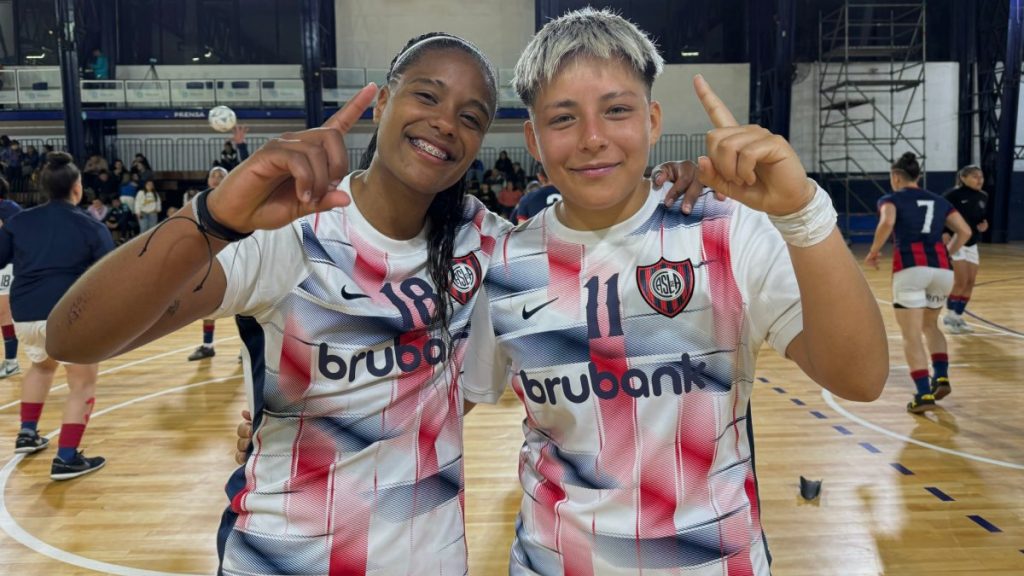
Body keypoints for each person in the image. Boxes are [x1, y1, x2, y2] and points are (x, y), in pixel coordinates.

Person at [50, 31, 705, 573]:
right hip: (283, 558)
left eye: (471, 117)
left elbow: (606, 268)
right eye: (427, 96)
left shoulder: (487, 242)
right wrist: (214, 217)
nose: (446, 123)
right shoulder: (295, 232)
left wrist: (674, 192)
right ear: (383, 100)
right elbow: (73, 338)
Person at [464, 9, 887, 573]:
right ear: (532, 139)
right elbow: (431, 404)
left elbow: (860, 377)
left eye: (616, 110)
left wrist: (802, 214)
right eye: (563, 119)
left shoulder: (724, 229)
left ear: (653, 119)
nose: (593, 138)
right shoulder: (506, 266)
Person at [1, 152, 112, 479]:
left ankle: (27, 432)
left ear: (43, 188)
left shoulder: (19, 221)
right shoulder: (90, 225)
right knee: (82, 382)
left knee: (41, 366)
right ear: (77, 188)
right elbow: (108, 273)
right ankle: (66, 457)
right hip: (66, 313)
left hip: (24, 312)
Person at [866, 152, 971, 413]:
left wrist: (874, 250)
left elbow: (887, 222)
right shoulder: (939, 200)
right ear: (918, 177)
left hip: (911, 268)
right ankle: (942, 377)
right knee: (931, 325)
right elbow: (965, 231)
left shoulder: (890, 198)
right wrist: (950, 251)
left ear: (896, 177)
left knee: (911, 334)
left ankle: (923, 393)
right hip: (943, 270)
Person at [187, 166, 229, 361]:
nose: (217, 178)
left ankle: (243, 348)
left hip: (233, 253)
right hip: (209, 254)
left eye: (221, 175)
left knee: (243, 303)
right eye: (214, 175)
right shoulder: (199, 201)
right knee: (209, 302)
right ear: (208, 180)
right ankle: (208, 345)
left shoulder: (236, 198)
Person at [942, 165, 988, 333]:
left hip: (972, 243)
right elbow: (941, 216)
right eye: (975, 176)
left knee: (970, 282)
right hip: (956, 241)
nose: (979, 180)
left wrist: (984, 225)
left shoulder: (984, 196)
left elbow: (981, 219)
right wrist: (944, 232)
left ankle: (958, 316)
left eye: (981, 177)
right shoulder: (951, 195)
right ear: (963, 178)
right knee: (960, 281)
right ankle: (949, 317)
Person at [0, 175, 22, 378]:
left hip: (6, 265)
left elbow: (23, 233)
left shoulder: (9, 208)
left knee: (4, 313)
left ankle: (11, 362)